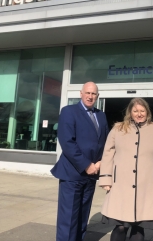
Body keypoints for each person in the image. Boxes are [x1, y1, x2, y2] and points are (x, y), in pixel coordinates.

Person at [99, 97, 153, 241]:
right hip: (121, 184)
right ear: (130, 112)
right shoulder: (118, 128)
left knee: (139, 226)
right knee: (120, 226)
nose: (139, 114)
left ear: (147, 112)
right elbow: (108, 154)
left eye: (142, 110)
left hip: (147, 185)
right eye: (135, 110)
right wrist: (106, 178)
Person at [51, 82, 109, 241]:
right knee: (68, 219)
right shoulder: (69, 112)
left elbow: (105, 142)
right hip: (72, 174)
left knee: (83, 217)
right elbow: (67, 142)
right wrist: (86, 165)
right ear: (81, 93)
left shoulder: (101, 115)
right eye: (88, 93)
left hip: (91, 175)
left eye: (94, 94)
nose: (90, 96)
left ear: (98, 96)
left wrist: (101, 162)